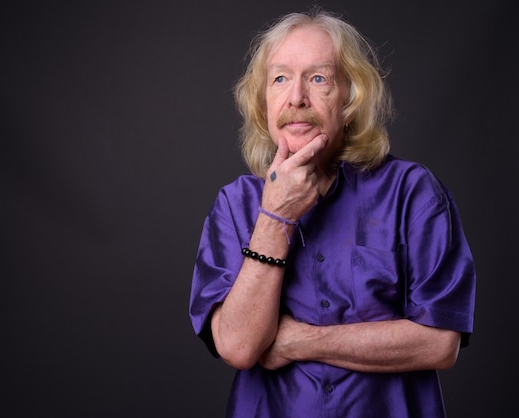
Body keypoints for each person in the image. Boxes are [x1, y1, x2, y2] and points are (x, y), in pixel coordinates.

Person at [188, 7, 476, 418]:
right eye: (280, 79)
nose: (296, 97)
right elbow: (237, 345)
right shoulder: (234, 205)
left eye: (318, 78)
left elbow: (439, 343)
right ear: (263, 100)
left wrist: (298, 341)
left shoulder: (413, 193)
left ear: (349, 99)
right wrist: (275, 216)